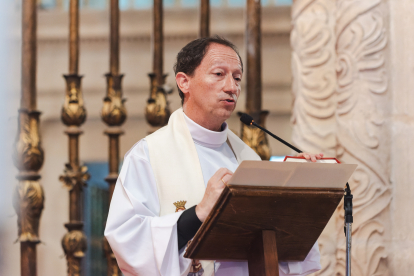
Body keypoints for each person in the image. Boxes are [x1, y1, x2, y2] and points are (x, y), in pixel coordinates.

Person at [105, 36, 323, 276]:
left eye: (237, 78)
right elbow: (128, 241)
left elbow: (275, 243)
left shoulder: (246, 157)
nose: (232, 87)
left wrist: (296, 195)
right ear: (184, 82)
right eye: (219, 74)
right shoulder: (148, 154)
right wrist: (198, 214)